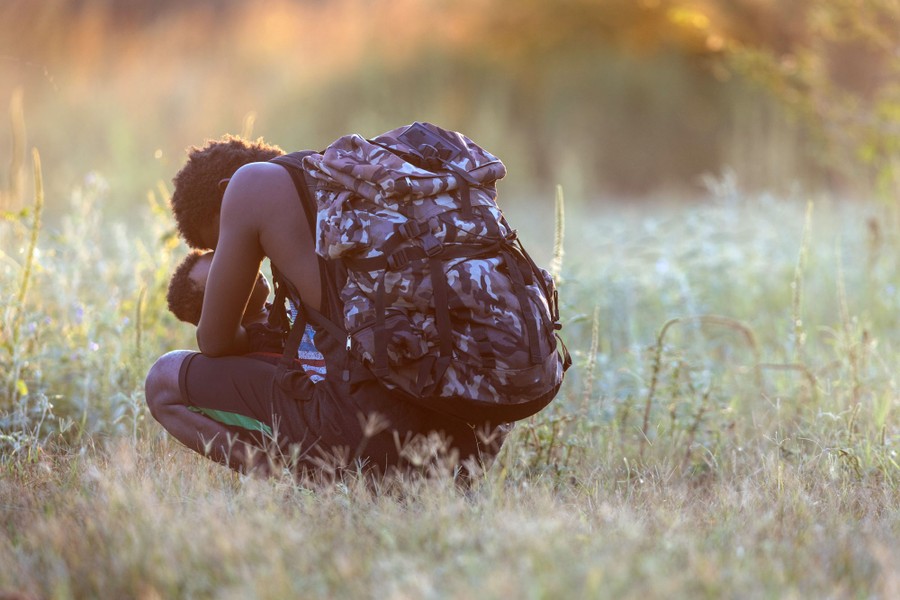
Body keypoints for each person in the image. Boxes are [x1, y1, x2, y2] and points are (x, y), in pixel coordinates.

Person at [145, 135, 508, 479]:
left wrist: (246, 331)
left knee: (163, 382)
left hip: (377, 438)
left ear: (226, 191)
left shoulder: (248, 186)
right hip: (476, 432)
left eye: (223, 244)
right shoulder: (342, 178)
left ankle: (289, 483)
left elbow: (213, 342)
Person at [166, 248, 326, 377]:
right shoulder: (248, 343)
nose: (239, 267)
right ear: (215, 309)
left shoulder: (282, 311)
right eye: (223, 273)